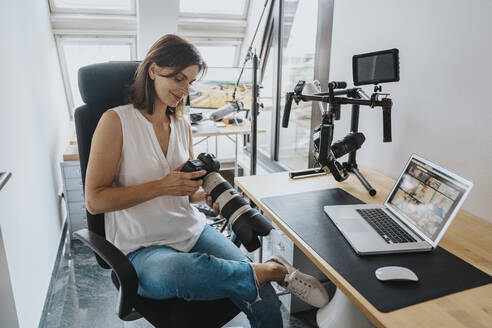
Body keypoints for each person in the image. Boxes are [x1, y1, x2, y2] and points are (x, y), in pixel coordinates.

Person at [84, 34, 329, 327]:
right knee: (182, 273)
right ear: (152, 70)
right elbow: (95, 200)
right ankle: (274, 270)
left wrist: (204, 196)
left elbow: (185, 195)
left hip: (191, 231)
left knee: (263, 297)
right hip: (142, 249)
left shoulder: (182, 124)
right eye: (178, 78)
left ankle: (261, 274)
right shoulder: (116, 121)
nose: (185, 89)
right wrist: (162, 185)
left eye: (190, 81)